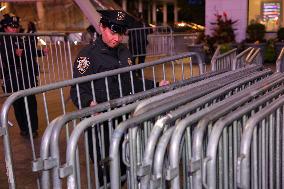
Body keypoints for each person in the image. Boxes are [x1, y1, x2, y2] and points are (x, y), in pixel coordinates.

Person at [70, 10, 169, 186]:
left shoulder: (124, 52)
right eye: (112, 32)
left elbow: (132, 81)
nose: (116, 38)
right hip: (101, 123)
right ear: (101, 27)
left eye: (121, 34)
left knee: (124, 163)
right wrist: (90, 104)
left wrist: (156, 85)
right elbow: (77, 90)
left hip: (123, 118)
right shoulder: (87, 56)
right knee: (107, 171)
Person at [0, 14, 46, 138]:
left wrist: (41, 52)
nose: (14, 29)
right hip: (12, 78)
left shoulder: (20, 38)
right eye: (11, 27)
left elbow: (27, 51)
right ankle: (24, 129)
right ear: (4, 27)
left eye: (16, 26)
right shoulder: (2, 40)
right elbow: (7, 56)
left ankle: (33, 128)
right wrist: (16, 53)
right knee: (18, 104)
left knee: (31, 103)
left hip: (26, 77)